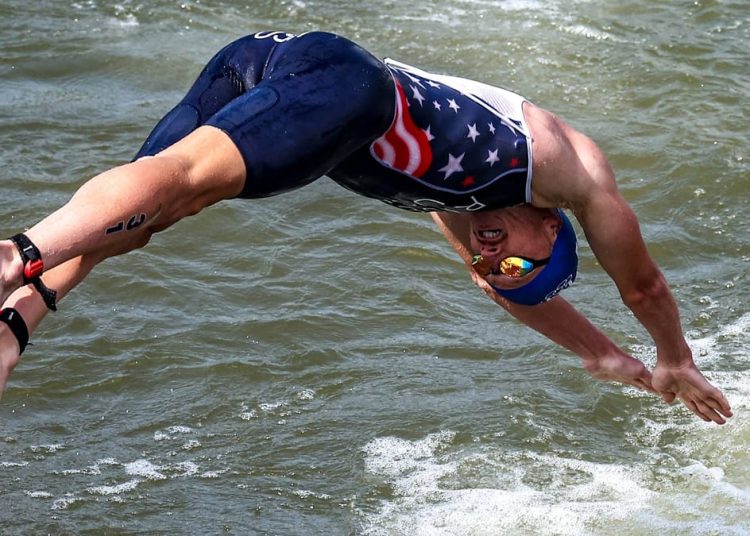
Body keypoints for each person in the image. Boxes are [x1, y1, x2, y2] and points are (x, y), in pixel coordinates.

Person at [0, 30, 732, 424]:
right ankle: (16, 254)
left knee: (138, 217)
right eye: (522, 260)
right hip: (345, 85)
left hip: (261, 64)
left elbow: (503, 294)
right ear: (552, 225)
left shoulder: (461, 216)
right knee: (183, 185)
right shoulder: (569, 173)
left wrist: (607, 358)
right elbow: (643, 284)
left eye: (506, 271)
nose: (499, 263)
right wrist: (674, 355)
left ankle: (17, 320)